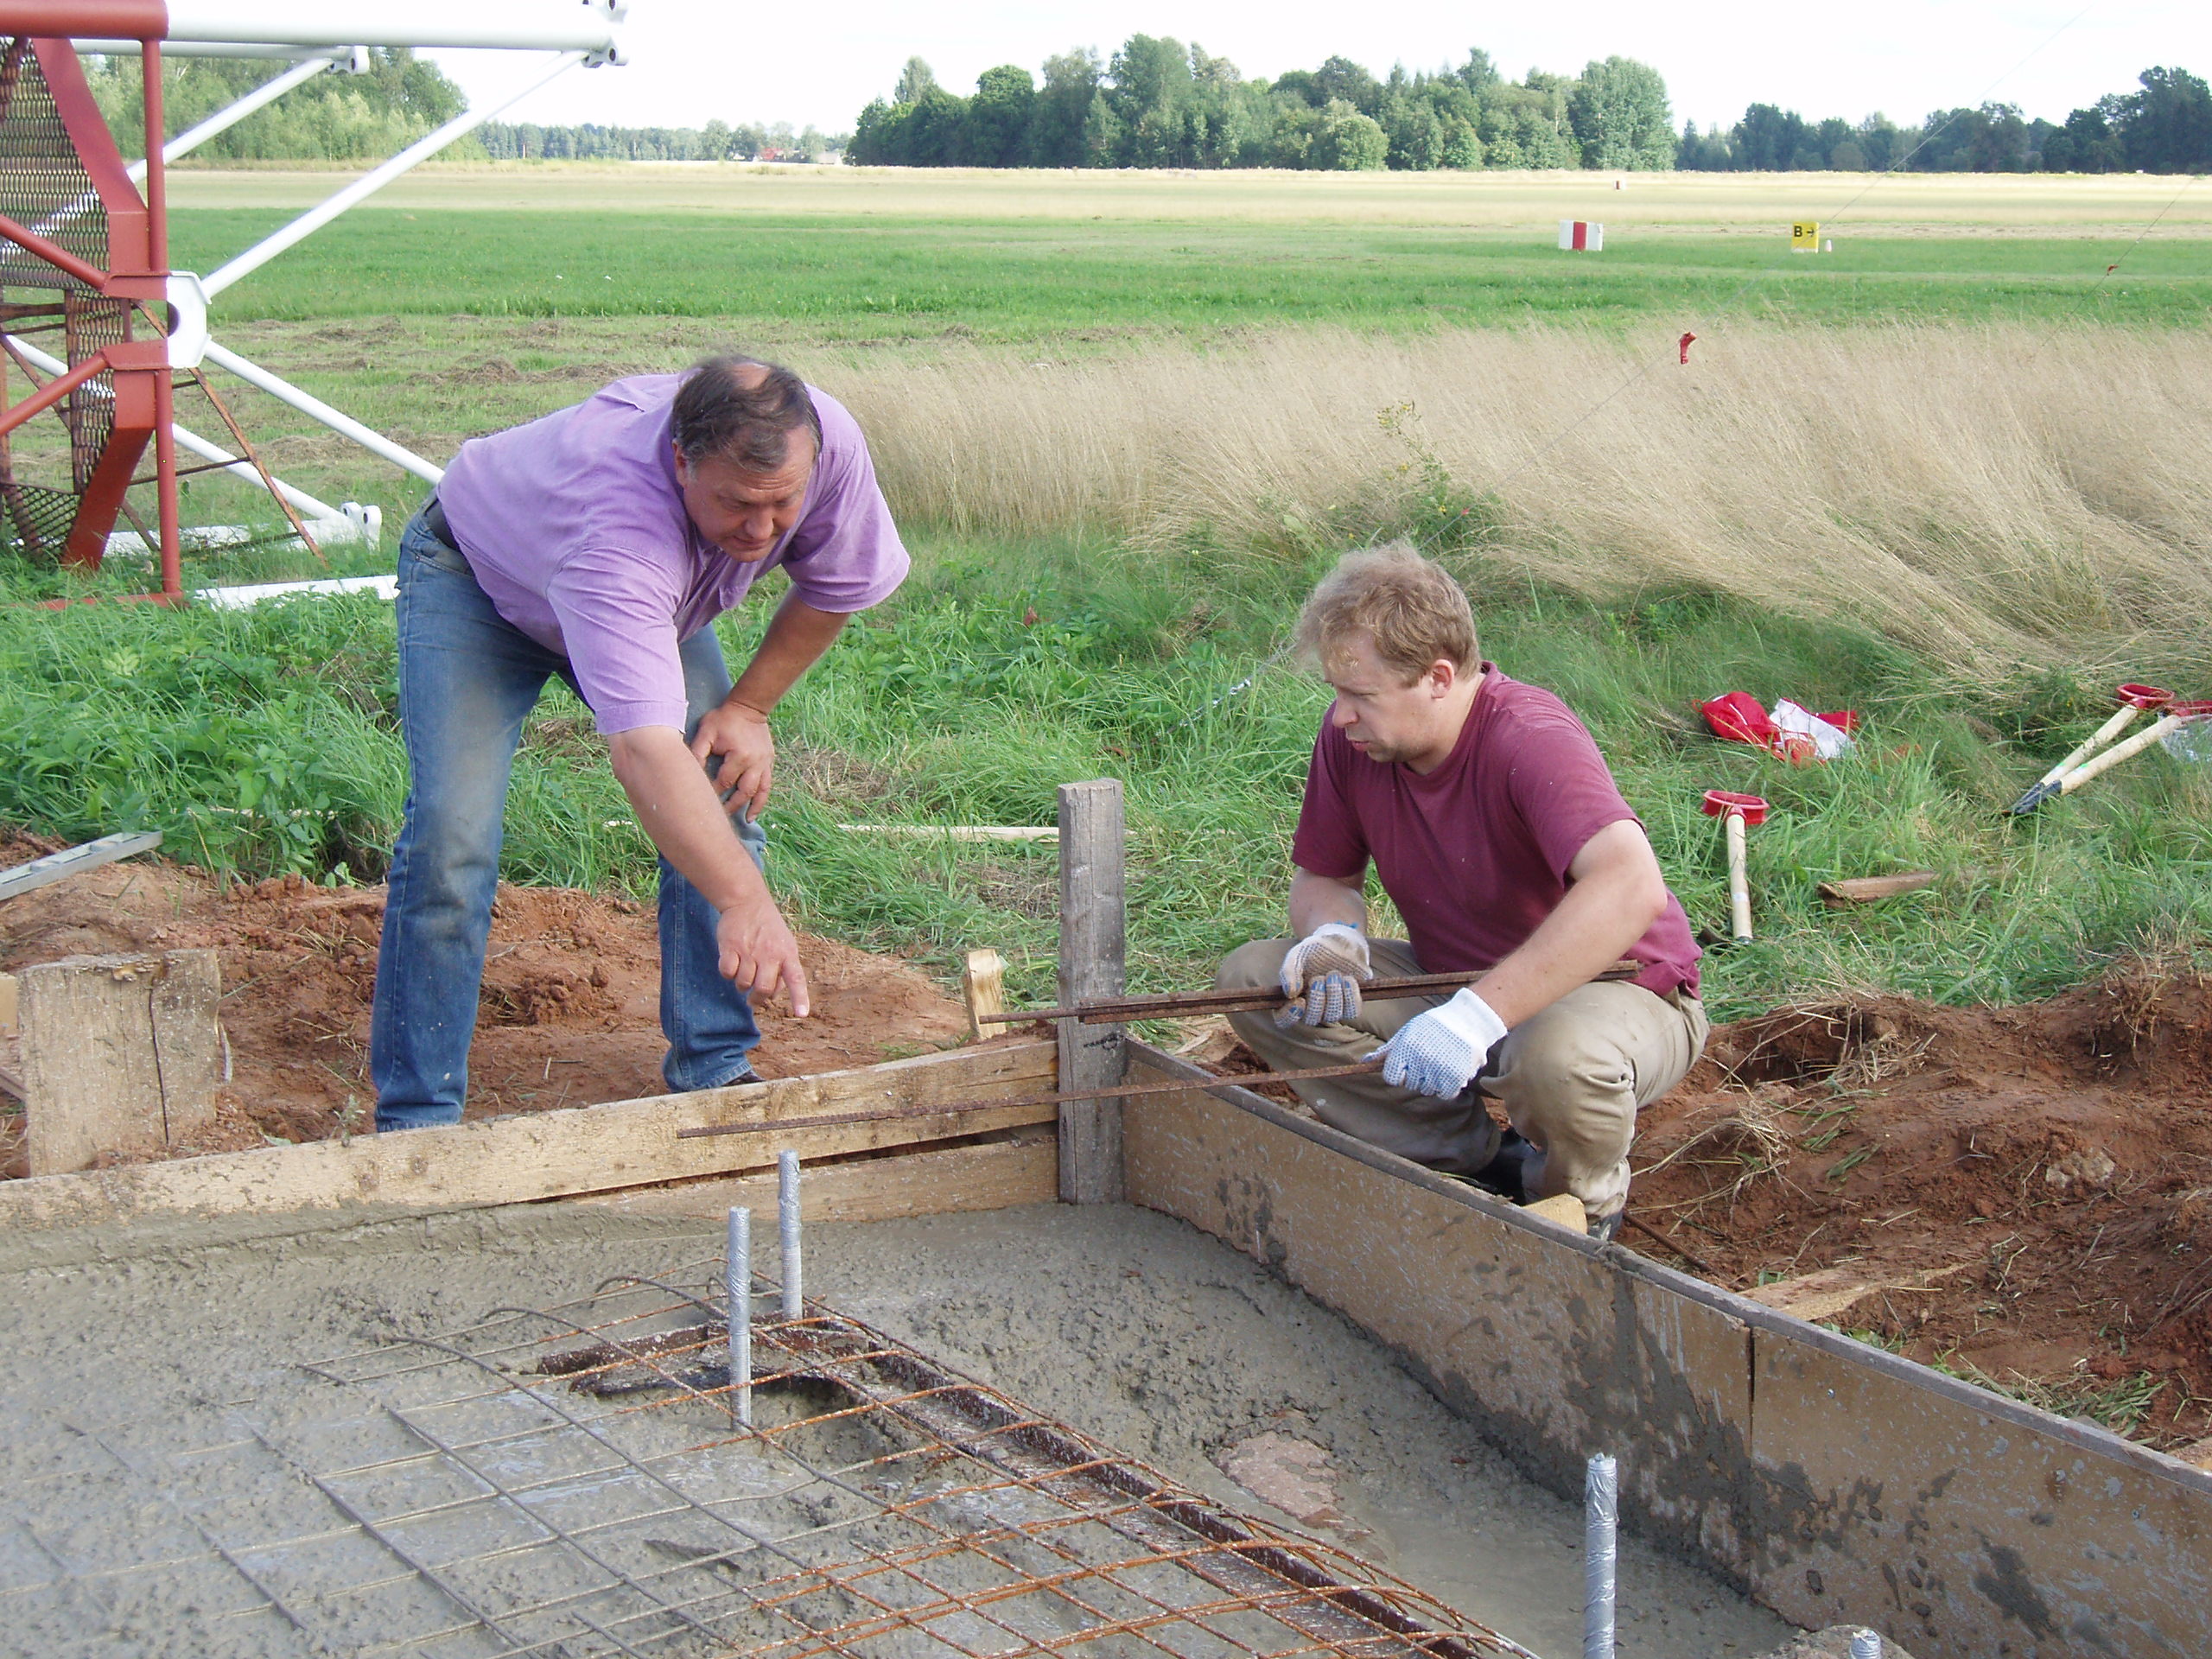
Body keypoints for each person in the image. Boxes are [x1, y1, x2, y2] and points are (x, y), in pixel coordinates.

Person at [371, 354, 908, 1130]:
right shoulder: (614, 530)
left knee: (720, 788)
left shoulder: (824, 440)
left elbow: (837, 583)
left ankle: (714, 1063)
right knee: (452, 840)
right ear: (682, 462)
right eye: (735, 507)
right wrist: (746, 902)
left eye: (781, 505)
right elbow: (644, 754)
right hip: (479, 585)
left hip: (651, 605)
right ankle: (417, 1115)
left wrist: (750, 708)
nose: (760, 534)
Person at [1217, 544, 1705, 1238]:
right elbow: (1326, 875)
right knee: (1255, 981)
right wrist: (1334, 937)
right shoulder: (1355, 743)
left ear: (1438, 677)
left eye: (1361, 695)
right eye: (1335, 691)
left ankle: (1576, 1209)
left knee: (1559, 1062)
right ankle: (1473, 1160)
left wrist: (1476, 1019)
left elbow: (1631, 887)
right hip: (1456, 977)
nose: (1341, 715)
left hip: (1616, 990)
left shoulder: (1529, 737)